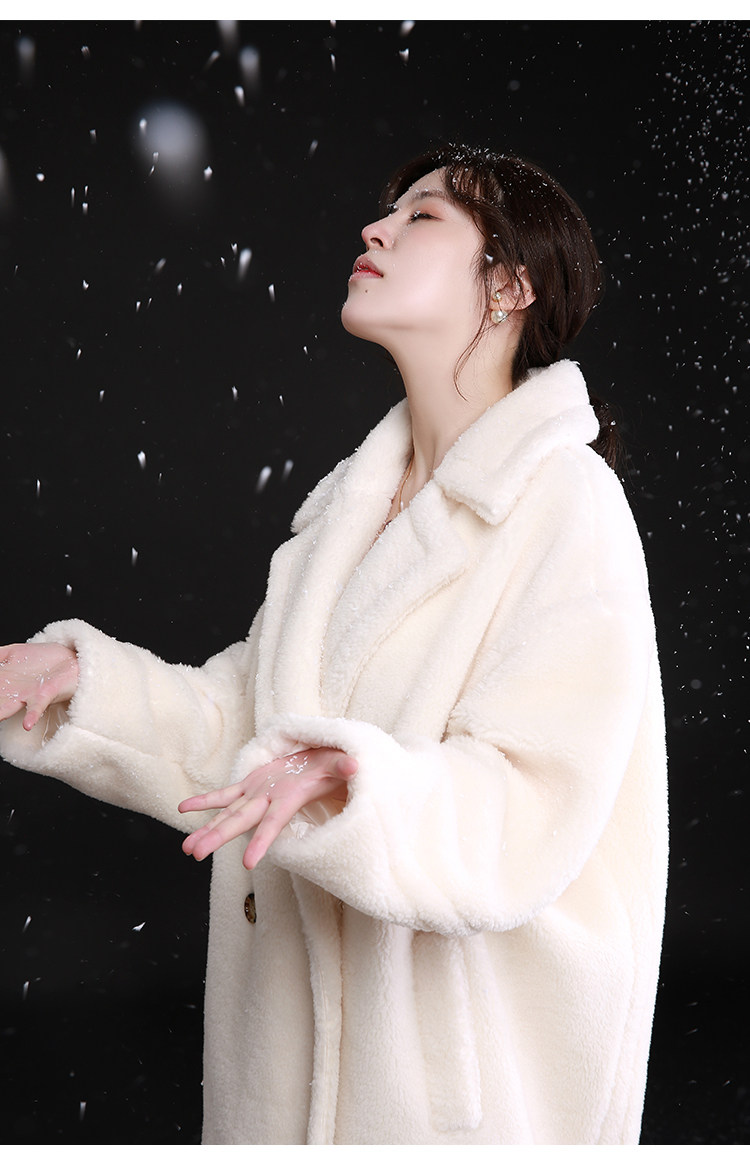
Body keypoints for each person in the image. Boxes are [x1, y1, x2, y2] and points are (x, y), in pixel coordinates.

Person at [0, 144, 668, 1145]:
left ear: (513, 284)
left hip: (451, 1092)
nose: (377, 228)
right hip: (283, 1072)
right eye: (389, 210)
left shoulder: (567, 502)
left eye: (424, 216)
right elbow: (245, 731)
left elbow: (533, 800)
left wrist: (357, 783)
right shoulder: (349, 513)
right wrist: (78, 685)